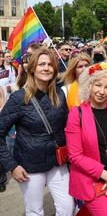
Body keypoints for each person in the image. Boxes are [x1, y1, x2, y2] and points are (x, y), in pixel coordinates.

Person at [0, 47, 74, 215]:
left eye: (50, 64)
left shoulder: (60, 95)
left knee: (67, 207)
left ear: (55, 69)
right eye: (41, 64)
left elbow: (68, 128)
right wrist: (12, 166)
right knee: (35, 211)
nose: (46, 68)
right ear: (32, 68)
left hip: (57, 162)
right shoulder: (19, 98)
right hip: (29, 165)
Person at [65, 62, 107, 216]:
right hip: (92, 184)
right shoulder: (77, 114)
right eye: (98, 85)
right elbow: (75, 156)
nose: (102, 91)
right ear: (90, 85)